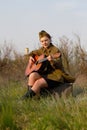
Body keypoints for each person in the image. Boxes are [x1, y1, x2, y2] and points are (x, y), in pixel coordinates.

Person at [22, 30, 75, 99]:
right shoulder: (42, 49)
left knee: (38, 82)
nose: (44, 43)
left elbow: (58, 64)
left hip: (55, 75)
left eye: (46, 40)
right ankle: (34, 99)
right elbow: (33, 52)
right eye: (42, 41)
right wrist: (31, 56)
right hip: (46, 74)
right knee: (32, 75)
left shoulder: (55, 50)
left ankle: (24, 99)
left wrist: (52, 60)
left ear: (50, 39)